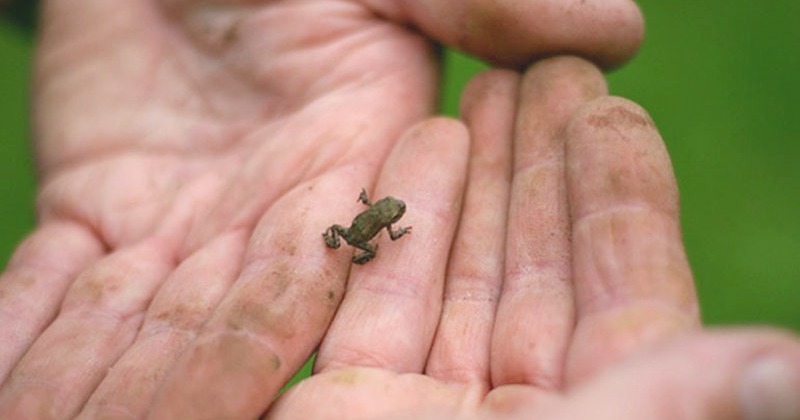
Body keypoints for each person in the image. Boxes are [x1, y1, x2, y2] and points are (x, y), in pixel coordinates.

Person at [0, 0, 798, 418]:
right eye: (383, 216)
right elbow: (372, 219)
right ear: (377, 217)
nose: (384, 217)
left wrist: (380, 227)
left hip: (357, 235)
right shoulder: (373, 223)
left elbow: (382, 212)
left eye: (385, 216)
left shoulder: (382, 215)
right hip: (354, 239)